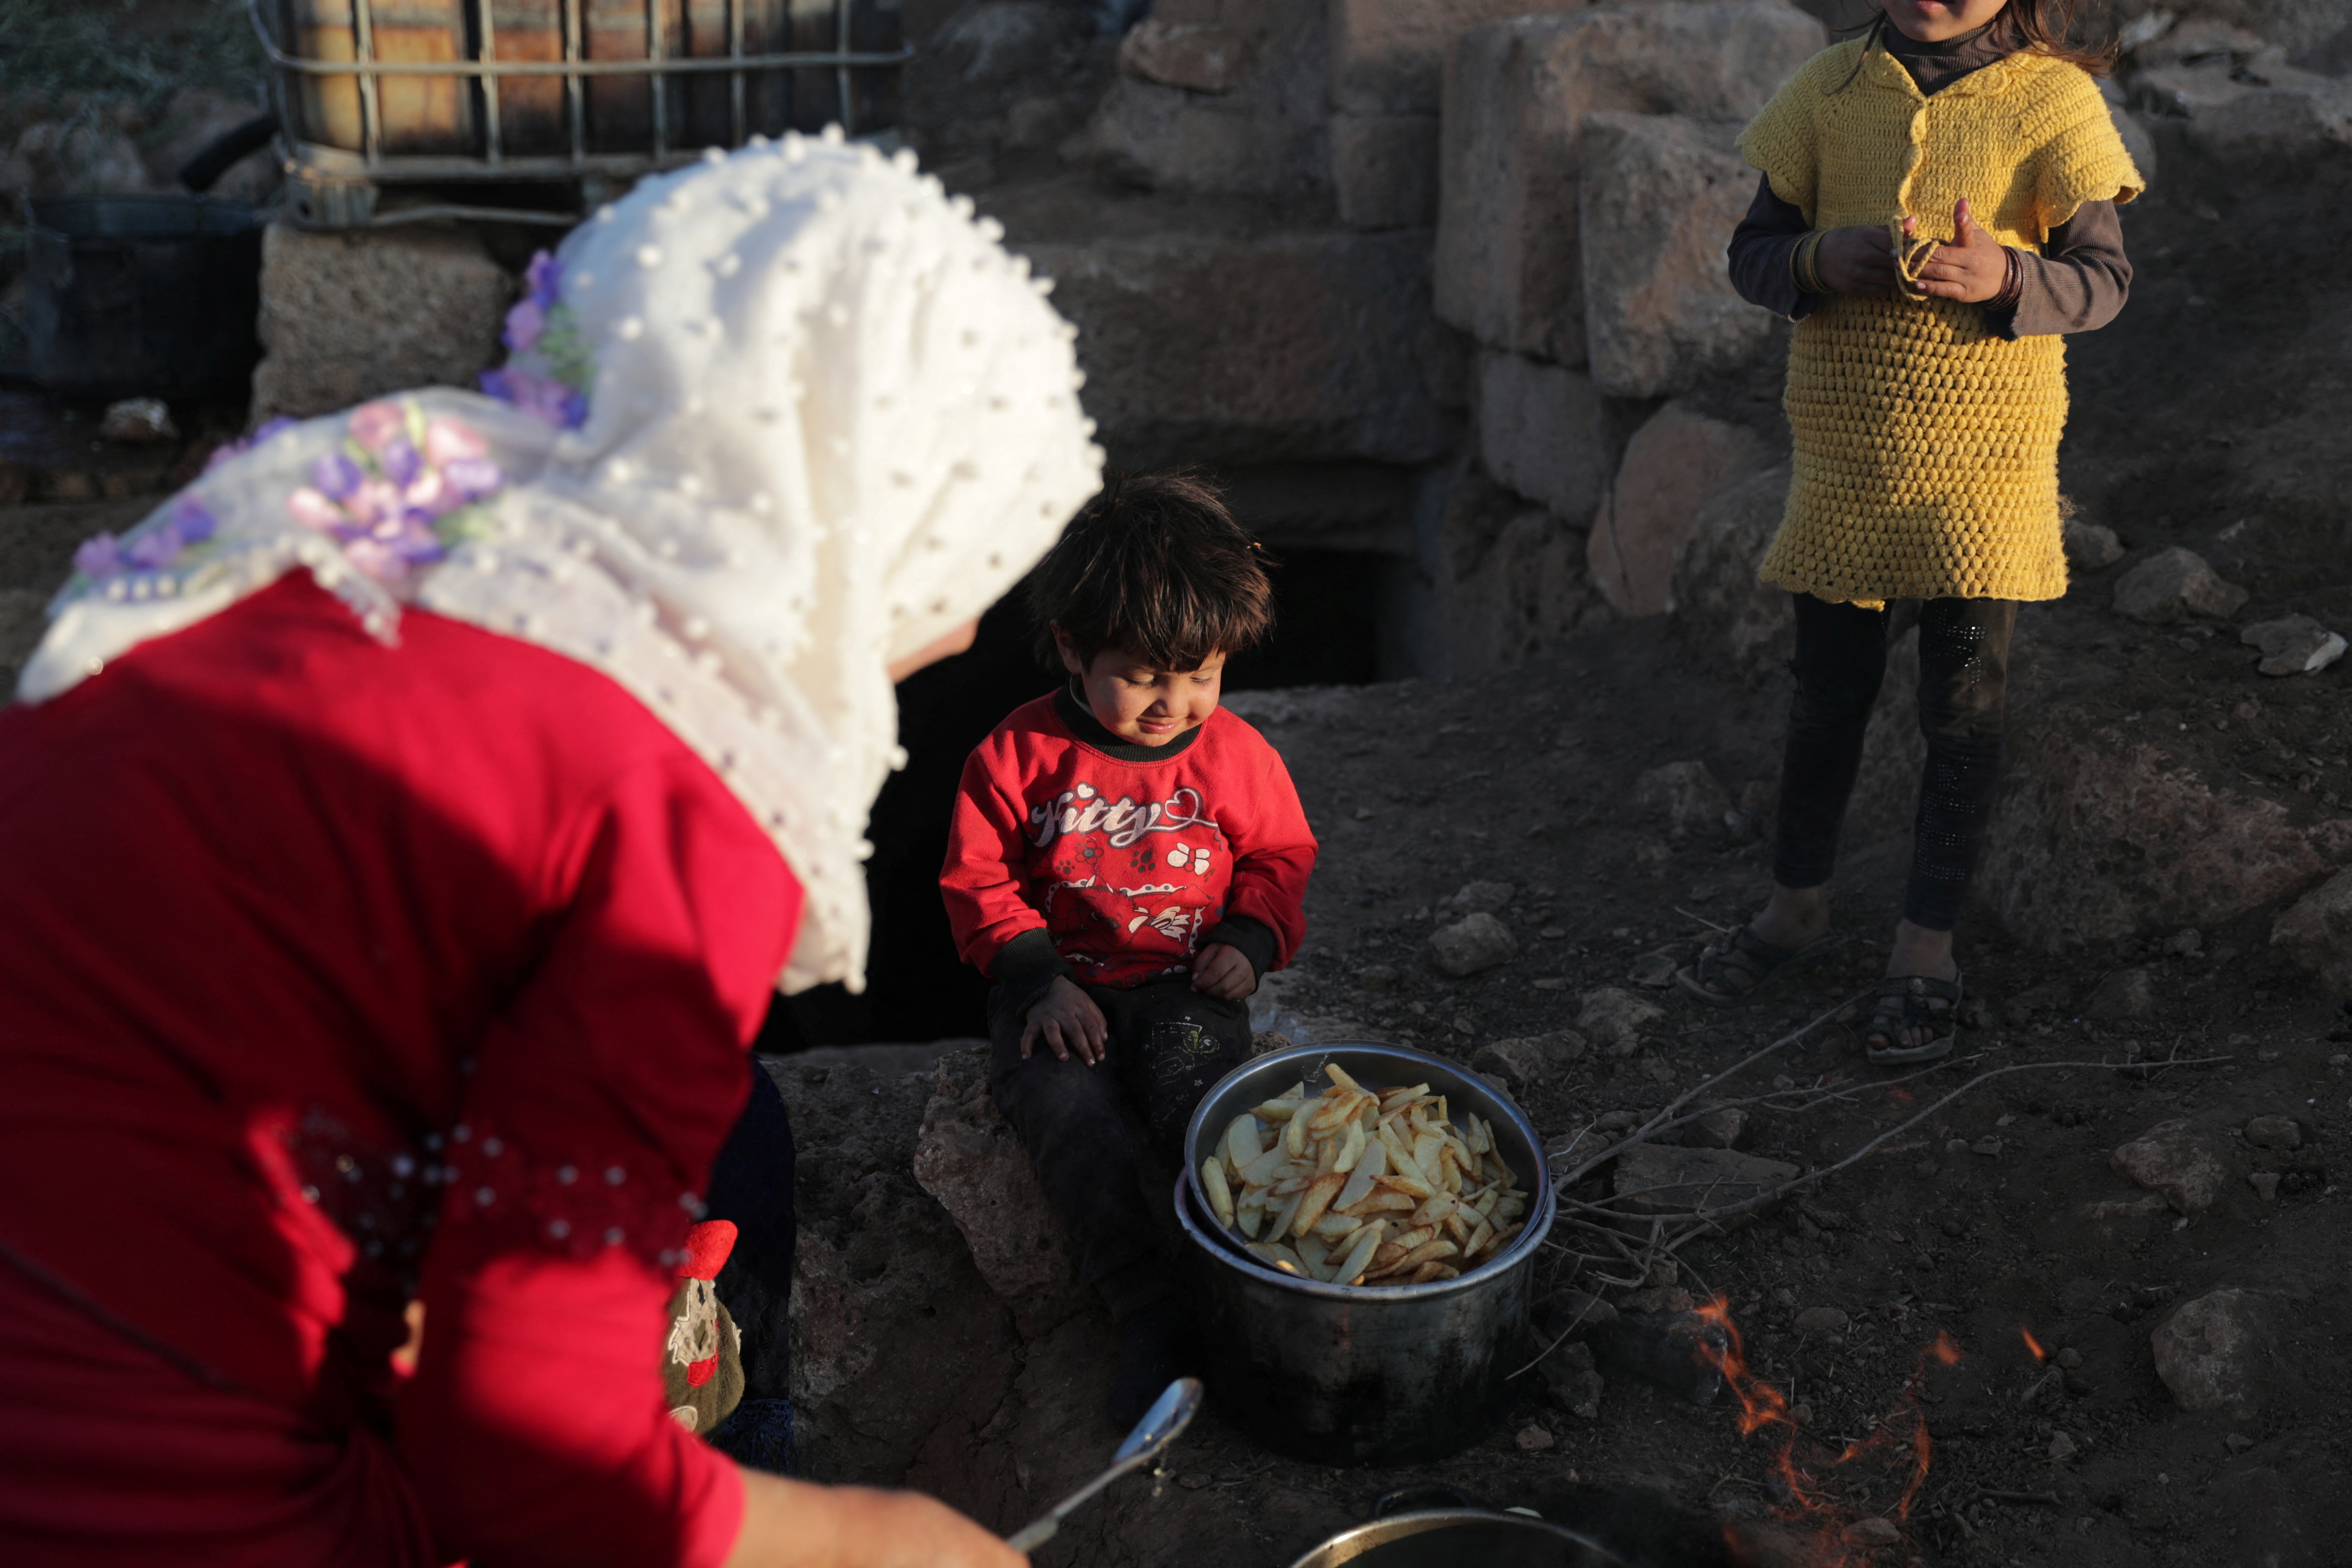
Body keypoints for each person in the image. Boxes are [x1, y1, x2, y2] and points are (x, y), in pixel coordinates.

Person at [0, 133, 1103, 1568]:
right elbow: (527, 1455)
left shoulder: (341, 539)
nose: (956, 633)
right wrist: (877, 1540)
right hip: (135, 1480)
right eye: (959, 564)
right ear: (865, 526)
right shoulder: (673, 788)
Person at [1680, 0, 2141, 1063]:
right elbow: (1751, 253)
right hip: (1847, 468)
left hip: (1984, 483)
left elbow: (2106, 281)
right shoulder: (1827, 90)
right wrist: (1814, 262)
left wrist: (2011, 277)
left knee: (1962, 715)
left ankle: (1926, 949)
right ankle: (1795, 908)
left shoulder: (2053, 99)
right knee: (1825, 699)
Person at [939, 474, 1317, 1422]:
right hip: (1056, 988)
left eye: (1202, 675)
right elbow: (978, 883)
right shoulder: (1015, 758)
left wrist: (1248, 937)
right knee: (1074, 1119)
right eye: (1145, 675)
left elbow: (1281, 853)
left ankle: (1240, 1287)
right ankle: (1147, 1313)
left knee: (1205, 1107)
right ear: (1071, 645)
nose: (1174, 704)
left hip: (1186, 983)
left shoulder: (1236, 757)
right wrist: (1037, 984)